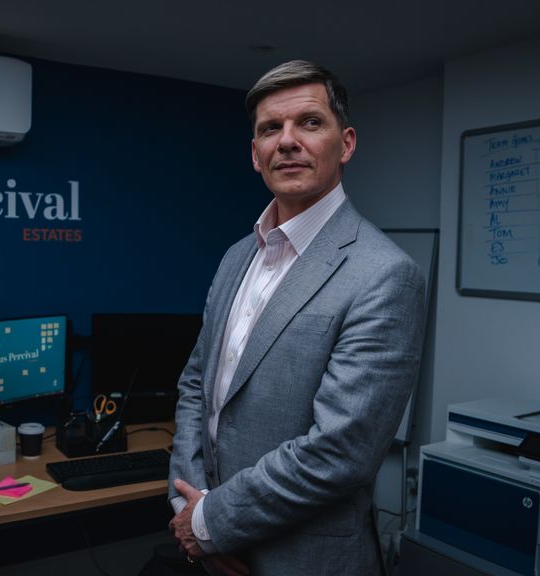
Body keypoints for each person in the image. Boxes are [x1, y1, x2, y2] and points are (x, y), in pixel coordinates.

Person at [167, 60, 425, 576]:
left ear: (345, 144)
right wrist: (188, 506)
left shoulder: (384, 274)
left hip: (304, 558)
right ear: (255, 154)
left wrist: (211, 523)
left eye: (309, 122)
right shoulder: (236, 257)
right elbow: (197, 388)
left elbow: (341, 451)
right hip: (209, 541)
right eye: (270, 129)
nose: (287, 141)